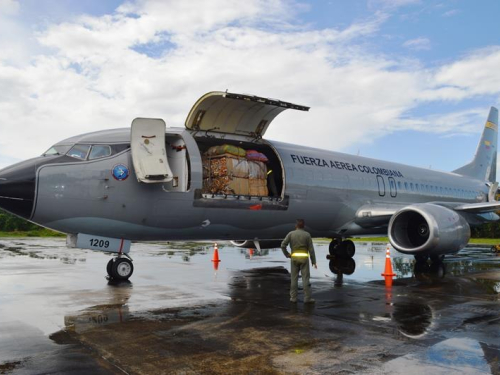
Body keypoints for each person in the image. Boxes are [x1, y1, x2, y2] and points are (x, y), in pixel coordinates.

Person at [281, 219, 317, 303]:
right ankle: (307, 298)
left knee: (294, 279)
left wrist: (287, 254)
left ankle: (293, 298)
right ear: (304, 226)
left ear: (296, 226)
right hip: (304, 259)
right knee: (305, 279)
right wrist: (313, 261)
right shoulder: (307, 235)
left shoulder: (291, 234)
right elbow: (311, 250)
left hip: (294, 259)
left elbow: (283, 245)